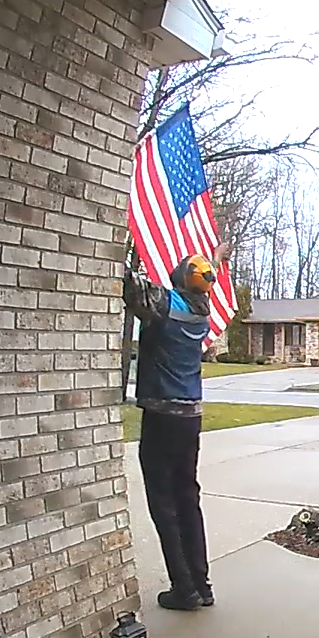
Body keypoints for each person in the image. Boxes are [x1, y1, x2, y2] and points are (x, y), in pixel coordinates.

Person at [123, 244, 229, 611]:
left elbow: (130, 286)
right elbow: (192, 282)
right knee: (188, 498)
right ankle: (202, 584)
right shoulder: (202, 310)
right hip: (190, 419)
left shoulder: (166, 305)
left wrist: (123, 251)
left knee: (163, 503)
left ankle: (183, 589)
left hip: (162, 417)